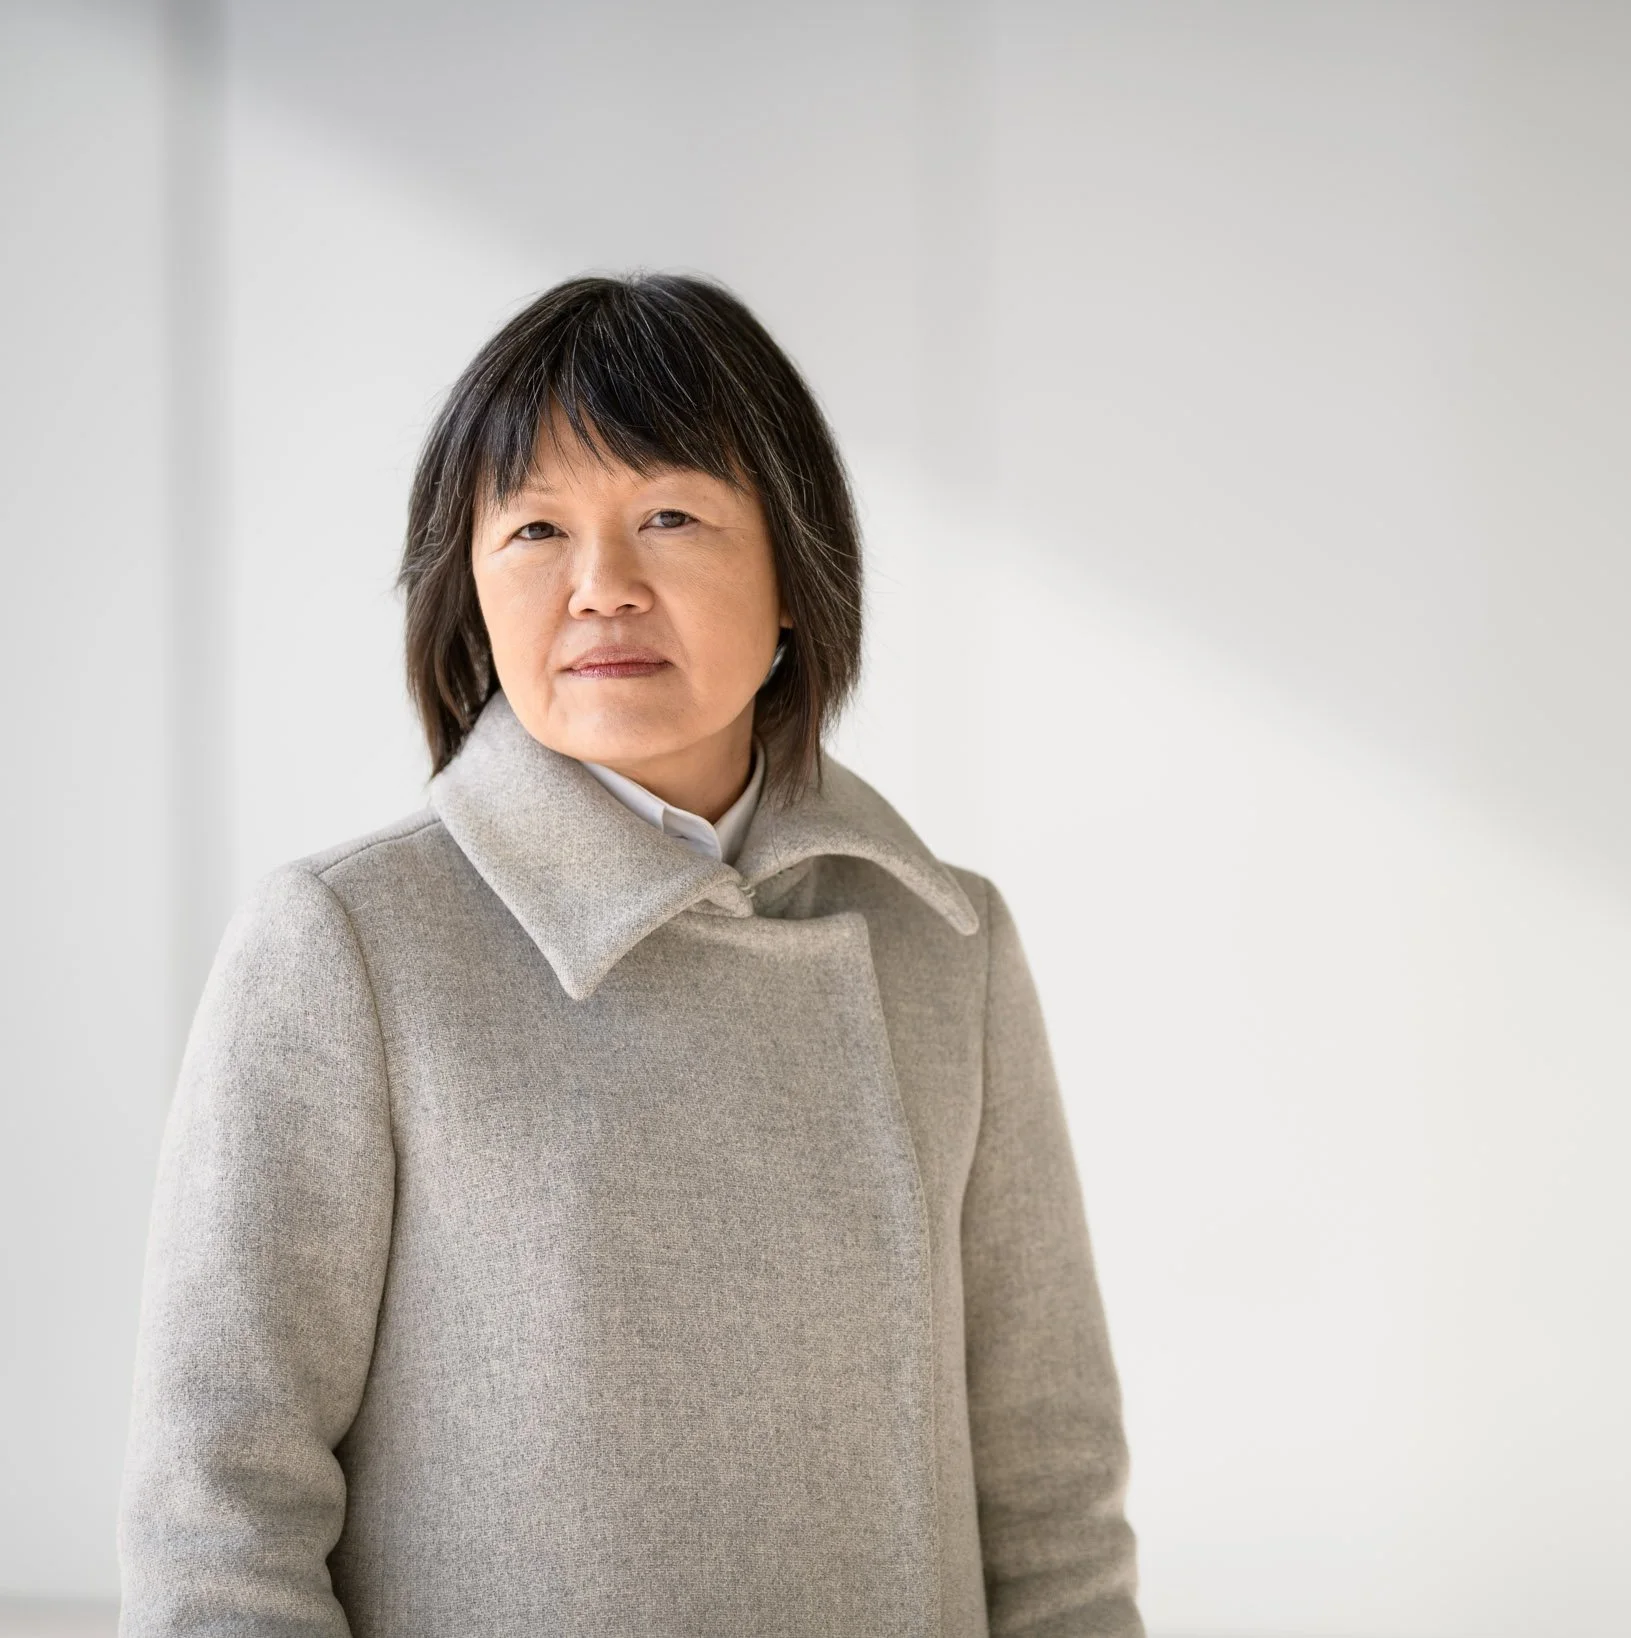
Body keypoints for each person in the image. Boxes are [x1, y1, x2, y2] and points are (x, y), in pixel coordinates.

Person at [116, 273, 1143, 1637]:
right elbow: (217, 1512)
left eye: (670, 516)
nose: (602, 587)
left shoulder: (945, 945)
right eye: (536, 527)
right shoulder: (349, 944)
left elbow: (1052, 1497)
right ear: (470, 590)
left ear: (796, 575)